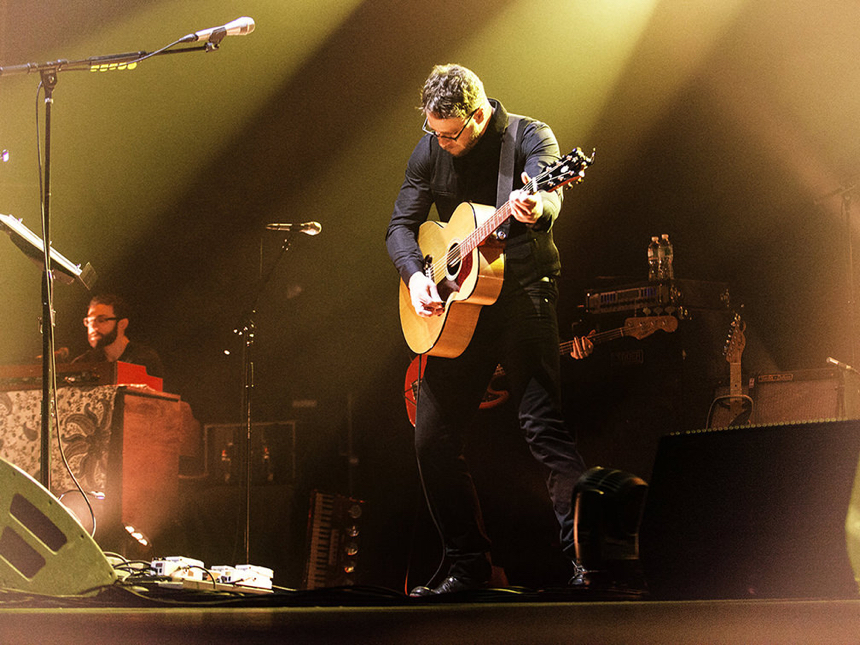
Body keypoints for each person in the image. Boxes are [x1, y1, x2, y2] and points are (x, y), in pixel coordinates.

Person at [386, 64, 592, 595]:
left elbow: (551, 195)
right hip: (463, 304)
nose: (440, 142)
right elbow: (400, 227)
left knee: (542, 428)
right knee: (431, 438)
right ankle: (467, 564)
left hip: (523, 290)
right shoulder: (430, 147)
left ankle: (588, 563)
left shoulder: (529, 137)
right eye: (433, 131)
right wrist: (415, 277)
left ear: (477, 117)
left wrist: (535, 205)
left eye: (449, 133)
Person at [72, 293, 164, 378]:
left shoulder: (144, 360)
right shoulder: (83, 363)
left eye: (101, 320)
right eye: (89, 321)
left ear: (122, 324)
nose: (93, 326)